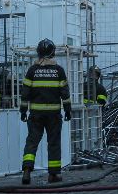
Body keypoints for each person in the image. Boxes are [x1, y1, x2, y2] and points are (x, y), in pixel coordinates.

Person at [20, 39, 72, 185]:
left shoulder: (32, 70)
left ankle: (26, 171)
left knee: (32, 142)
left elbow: (25, 94)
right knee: (53, 143)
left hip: (36, 114)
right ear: (53, 52)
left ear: (39, 52)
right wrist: (68, 110)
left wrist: (23, 111)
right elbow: (65, 93)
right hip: (54, 115)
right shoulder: (59, 71)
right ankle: (53, 175)